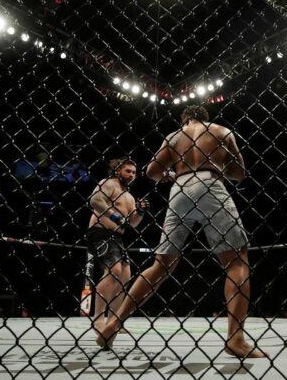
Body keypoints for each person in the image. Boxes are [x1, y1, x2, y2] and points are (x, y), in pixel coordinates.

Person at [95, 105, 267, 358]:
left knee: (161, 265)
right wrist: (217, 164)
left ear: (184, 120)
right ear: (204, 118)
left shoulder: (173, 137)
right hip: (210, 183)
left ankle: (114, 322)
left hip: (180, 188)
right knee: (236, 261)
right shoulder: (221, 131)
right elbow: (240, 173)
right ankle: (235, 338)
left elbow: (151, 172)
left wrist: (171, 173)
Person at [86, 159, 148, 332]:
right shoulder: (108, 183)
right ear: (117, 170)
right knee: (114, 271)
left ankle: (114, 321)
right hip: (100, 232)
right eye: (128, 171)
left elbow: (133, 223)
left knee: (124, 277)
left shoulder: (128, 196)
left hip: (117, 238)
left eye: (134, 173)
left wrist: (141, 211)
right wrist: (114, 216)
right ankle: (98, 319)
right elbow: (95, 201)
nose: (131, 175)